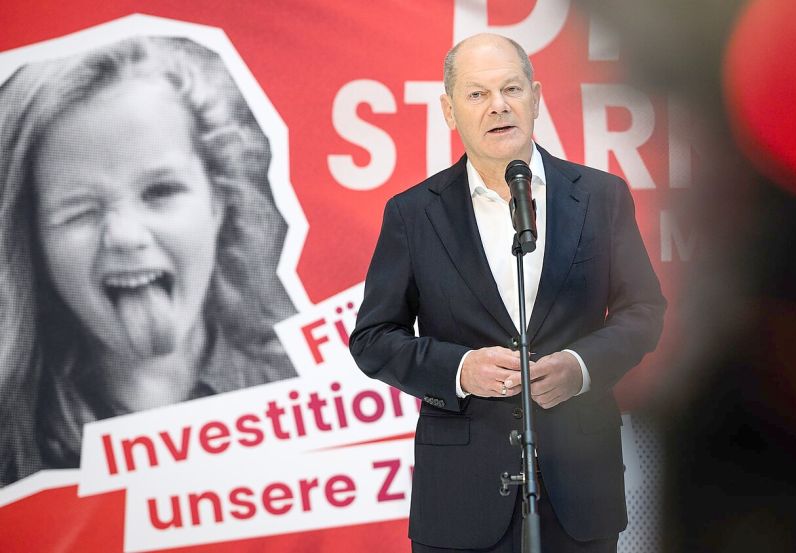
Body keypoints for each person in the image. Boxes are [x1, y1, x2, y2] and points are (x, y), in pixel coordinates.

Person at [350, 33, 666, 552]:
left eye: (511, 89)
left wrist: (581, 367)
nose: (498, 106)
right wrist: (459, 370)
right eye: (477, 94)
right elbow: (373, 338)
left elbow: (644, 311)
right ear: (449, 111)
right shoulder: (412, 214)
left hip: (580, 490)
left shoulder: (600, 196)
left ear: (536, 98)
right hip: (461, 495)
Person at [0, 36, 296, 486]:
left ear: (219, 201)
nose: (124, 236)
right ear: (34, 243)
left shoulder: (309, 390)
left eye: (160, 192)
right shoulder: (13, 440)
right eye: (78, 210)